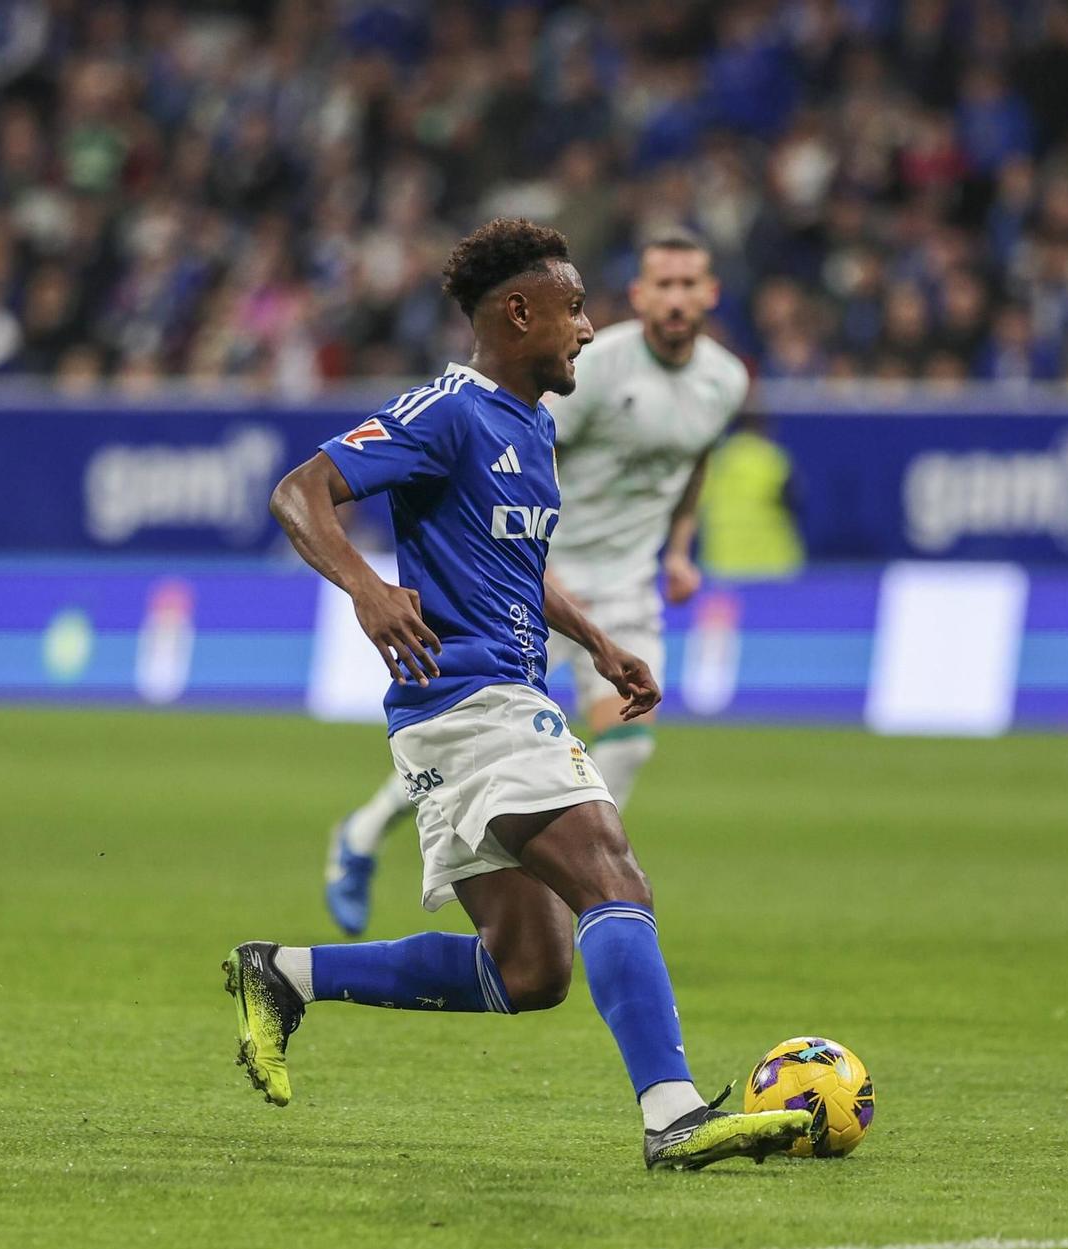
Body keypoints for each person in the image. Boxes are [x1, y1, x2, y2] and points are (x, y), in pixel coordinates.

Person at [225, 218, 806, 1170]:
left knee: (532, 970)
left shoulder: (531, 424)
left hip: (465, 713)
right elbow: (301, 490)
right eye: (574, 309)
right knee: (613, 873)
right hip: (477, 702)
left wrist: (603, 642)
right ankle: (672, 1114)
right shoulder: (447, 410)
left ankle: (282, 974)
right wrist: (369, 590)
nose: (587, 328)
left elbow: (518, 565)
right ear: (520, 311)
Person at [321, 228, 748, 937]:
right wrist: (512, 561)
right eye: (662, 285)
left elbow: (692, 461)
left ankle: (569, 868)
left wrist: (678, 548)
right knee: (483, 733)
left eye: (689, 284)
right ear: (640, 295)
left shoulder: (726, 379)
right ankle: (367, 830)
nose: (676, 299)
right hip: (541, 568)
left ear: (710, 293)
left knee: (628, 739)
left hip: (625, 581)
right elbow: (514, 447)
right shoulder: (593, 366)